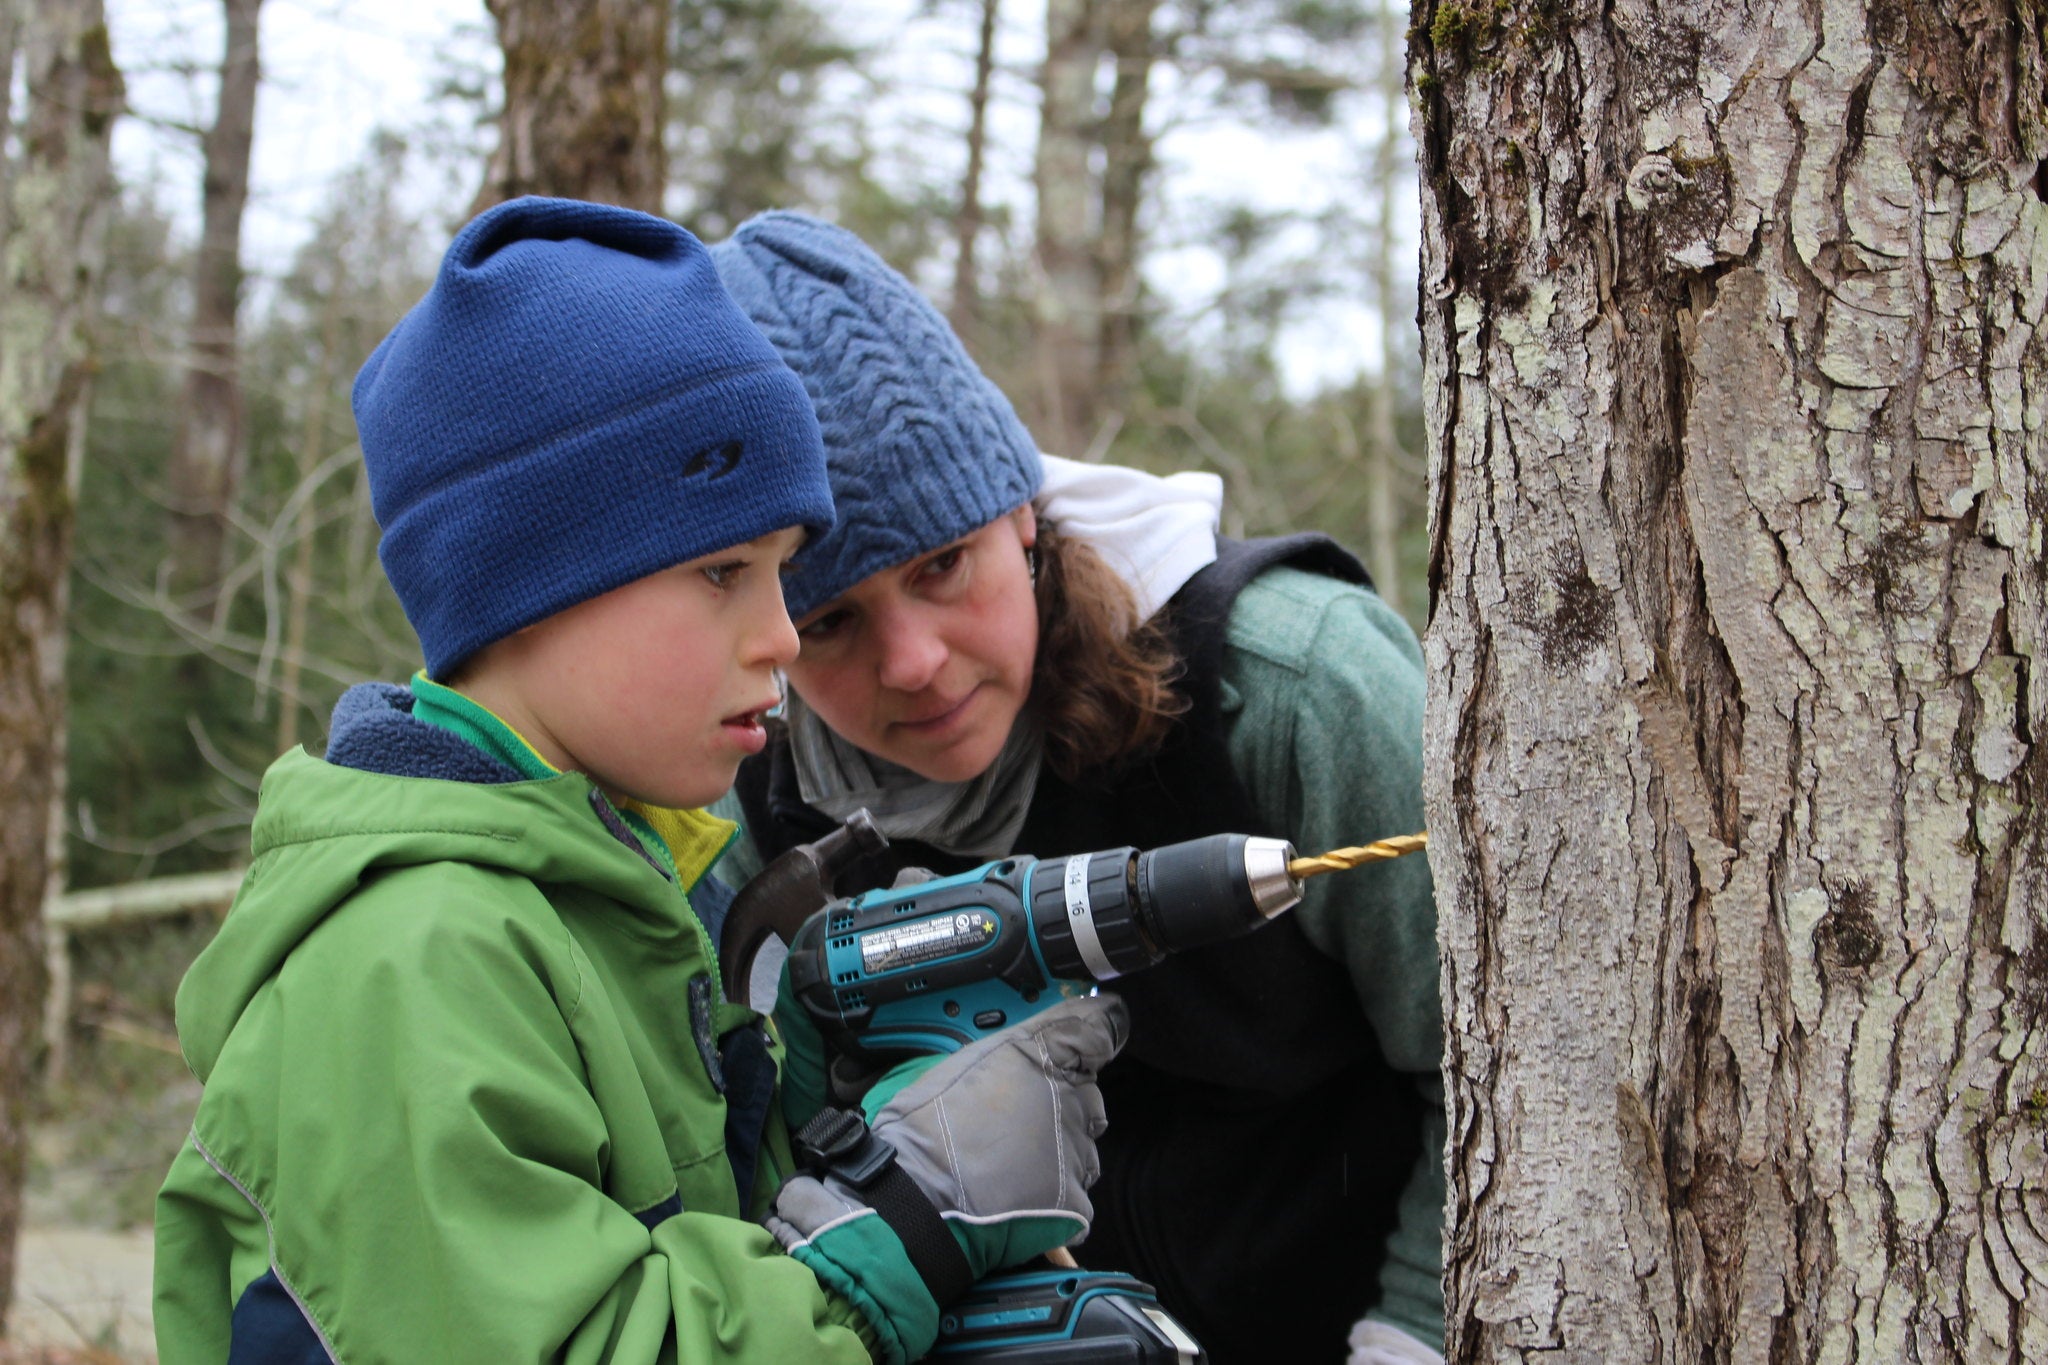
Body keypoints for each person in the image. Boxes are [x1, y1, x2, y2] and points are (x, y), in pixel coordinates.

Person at [150, 196, 1127, 1365]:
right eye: (723, 572)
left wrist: (826, 1099)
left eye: (779, 575)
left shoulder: (628, 889)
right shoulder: (412, 956)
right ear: (532, 582)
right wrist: (904, 1224)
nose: (779, 635)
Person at [707, 211, 1446, 1365]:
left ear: (1020, 510)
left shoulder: (1297, 690)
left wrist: (1413, 1342)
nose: (912, 662)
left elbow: (1494, 1065)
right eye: (830, 620)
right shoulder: (755, 815)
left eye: (941, 565)